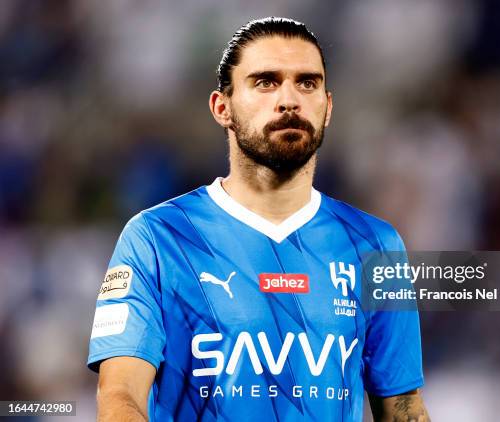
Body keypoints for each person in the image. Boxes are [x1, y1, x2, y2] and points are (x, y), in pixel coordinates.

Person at [88, 17, 428, 422]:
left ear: (328, 107)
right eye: (265, 82)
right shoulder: (156, 238)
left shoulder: (376, 245)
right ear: (222, 107)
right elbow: (120, 394)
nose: (289, 99)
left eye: (307, 83)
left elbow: (403, 408)